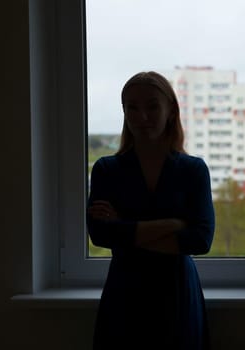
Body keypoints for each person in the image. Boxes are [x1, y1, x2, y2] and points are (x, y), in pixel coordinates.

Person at [87, 71, 215, 349]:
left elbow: (201, 240)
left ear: (171, 111)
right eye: (132, 107)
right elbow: (100, 235)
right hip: (125, 293)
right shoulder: (106, 170)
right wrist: (174, 224)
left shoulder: (193, 170)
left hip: (177, 293)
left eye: (152, 106)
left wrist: (126, 227)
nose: (141, 116)